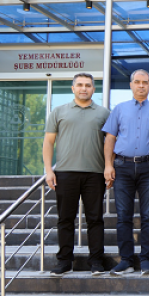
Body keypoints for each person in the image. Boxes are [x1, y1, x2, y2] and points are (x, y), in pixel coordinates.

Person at [43, 73, 110, 276]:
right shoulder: (59, 111)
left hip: (95, 174)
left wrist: (109, 167)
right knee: (65, 219)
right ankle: (64, 261)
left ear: (93, 89)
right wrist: (48, 170)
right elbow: (48, 142)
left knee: (95, 219)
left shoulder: (104, 113)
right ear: (73, 88)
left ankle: (96, 261)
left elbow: (111, 143)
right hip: (65, 173)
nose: (84, 88)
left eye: (88, 85)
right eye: (79, 85)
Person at [102, 70, 149, 275]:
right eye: (137, 82)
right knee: (123, 217)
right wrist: (108, 165)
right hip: (122, 167)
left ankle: (146, 260)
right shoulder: (119, 109)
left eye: (145, 82)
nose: (141, 85)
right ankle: (126, 260)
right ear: (131, 85)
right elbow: (110, 139)